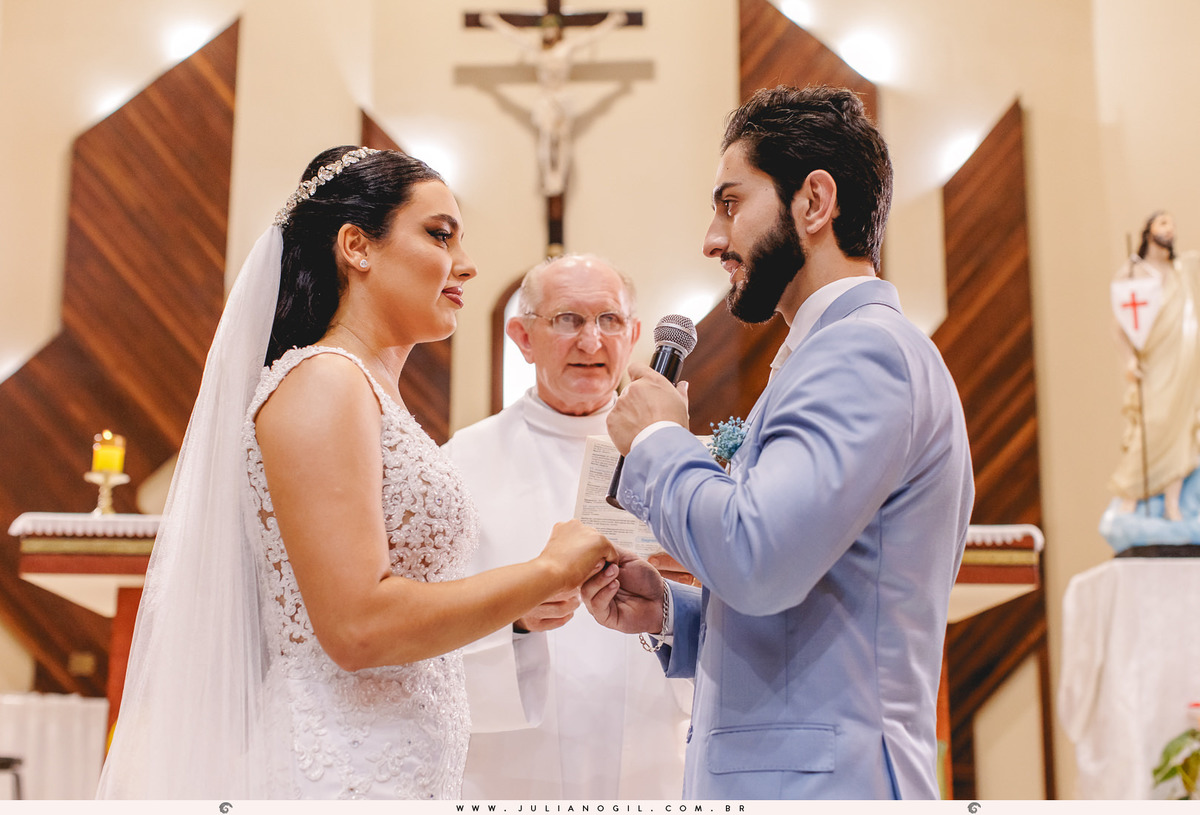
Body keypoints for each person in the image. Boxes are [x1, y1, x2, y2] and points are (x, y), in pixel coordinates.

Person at [96, 146, 616, 800]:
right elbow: (356, 625)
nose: (467, 263)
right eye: (438, 234)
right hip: (337, 767)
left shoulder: (368, 391)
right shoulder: (324, 382)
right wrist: (543, 571)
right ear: (356, 246)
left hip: (392, 767)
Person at [581, 86, 975, 800]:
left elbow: (759, 558)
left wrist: (660, 440)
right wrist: (675, 612)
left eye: (730, 203)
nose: (710, 238)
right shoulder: (833, 352)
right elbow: (817, 609)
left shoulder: (863, 353)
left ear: (814, 203)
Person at [442, 254, 690, 798]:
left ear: (635, 336)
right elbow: (426, 627)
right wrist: (516, 623)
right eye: (567, 320)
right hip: (511, 770)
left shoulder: (676, 458)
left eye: (609, 320)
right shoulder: (462, 462)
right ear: (523, 337)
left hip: (649, 760)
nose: (591, 341)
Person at [1108, 211, 1200, 520]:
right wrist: (1129, 360)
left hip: (1183, 365)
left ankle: (1172, 505)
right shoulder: (1135, 272)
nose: (1170, 229)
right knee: (1152, 425)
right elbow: (1121, 327)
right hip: (1154, 364)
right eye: (1163, 223)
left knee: (1181, 429)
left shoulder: (1180, 269)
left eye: (1173, 224)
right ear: (1148, 231)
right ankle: (1130, 498)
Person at [479, 10, 628, 196]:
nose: (548, 32)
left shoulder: (567, 47)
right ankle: (549, 177)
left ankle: (560, 177)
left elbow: (591, 37)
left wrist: (612, 22)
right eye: (545, 28)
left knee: (563, 138)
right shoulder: (537, 48)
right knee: (547, 137)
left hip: (562, 99)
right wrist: (494, 22)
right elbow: (514, 37)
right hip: (546, 100)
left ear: (558, 30)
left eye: (551, 27)